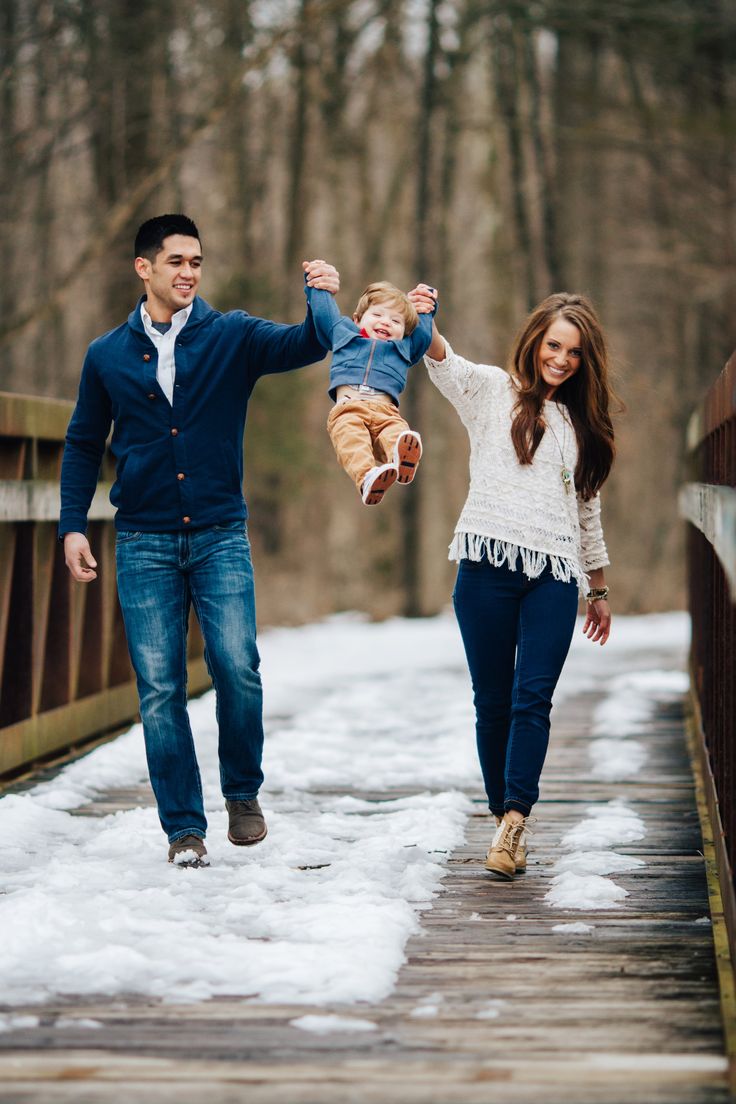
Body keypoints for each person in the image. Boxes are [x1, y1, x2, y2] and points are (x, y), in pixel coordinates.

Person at [60, 213, 339, 867]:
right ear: (145, 268)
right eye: (177, 261)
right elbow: (80, 444)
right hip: (143, 542)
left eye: (196, 262)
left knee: (237, 668)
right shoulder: (106, 355)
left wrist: (321, 296)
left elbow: (308, 344)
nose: (189, 272)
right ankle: (184, 829)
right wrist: (73, 523)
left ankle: (242, 792)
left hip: (220, 536)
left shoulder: (232, 336)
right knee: (159, 690)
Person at [409, 284, 615, 880]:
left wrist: (596, 588)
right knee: (492, 702)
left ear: (586, 361)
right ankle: (503, 818)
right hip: (484, 573)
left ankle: (516, 821)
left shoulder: (583, 424)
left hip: (553, 576)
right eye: (555, 345)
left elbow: (586, 513)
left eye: (574, 353)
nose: (561, 359)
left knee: (534, 698)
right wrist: (426, 314)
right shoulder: (493, 391)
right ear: (535, 342)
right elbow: (440, 358)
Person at [306, 279, 437, 504]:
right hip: (349, 408)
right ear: (357, 320)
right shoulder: (344, 335)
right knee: (352, 440)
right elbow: (323, 314)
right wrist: (317, 285)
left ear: (404, 331)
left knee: (396, 432)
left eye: (396, 320)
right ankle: (368, 477)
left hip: (386, 411)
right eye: (378, 315)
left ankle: (400, 456)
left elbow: (423, 336)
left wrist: (427, 305)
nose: (386, 322)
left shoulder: (403, 348)